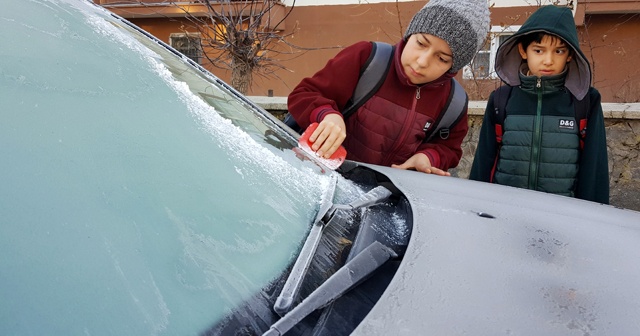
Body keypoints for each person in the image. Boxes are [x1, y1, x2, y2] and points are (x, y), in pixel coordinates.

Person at [286, 0, 490, 176]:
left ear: (454, 66)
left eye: (442, 58)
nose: (422, 62)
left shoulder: (454, 101)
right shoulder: (367, 58)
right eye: (421, 43)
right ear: (410, 34)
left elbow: (449, 149)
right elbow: (304, 94)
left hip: (386, 200)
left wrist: (428, 157)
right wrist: (328, 115)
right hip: (323, 177)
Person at [469, 5, 609, 204]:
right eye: (538, 50)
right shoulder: (501, 99)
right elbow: (483, 165)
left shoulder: (585, 101)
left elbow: (594, 173)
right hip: (506, 213)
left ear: (570, 55)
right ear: (523, 51)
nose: (548, 60)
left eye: (559, 51)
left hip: (561, 217)